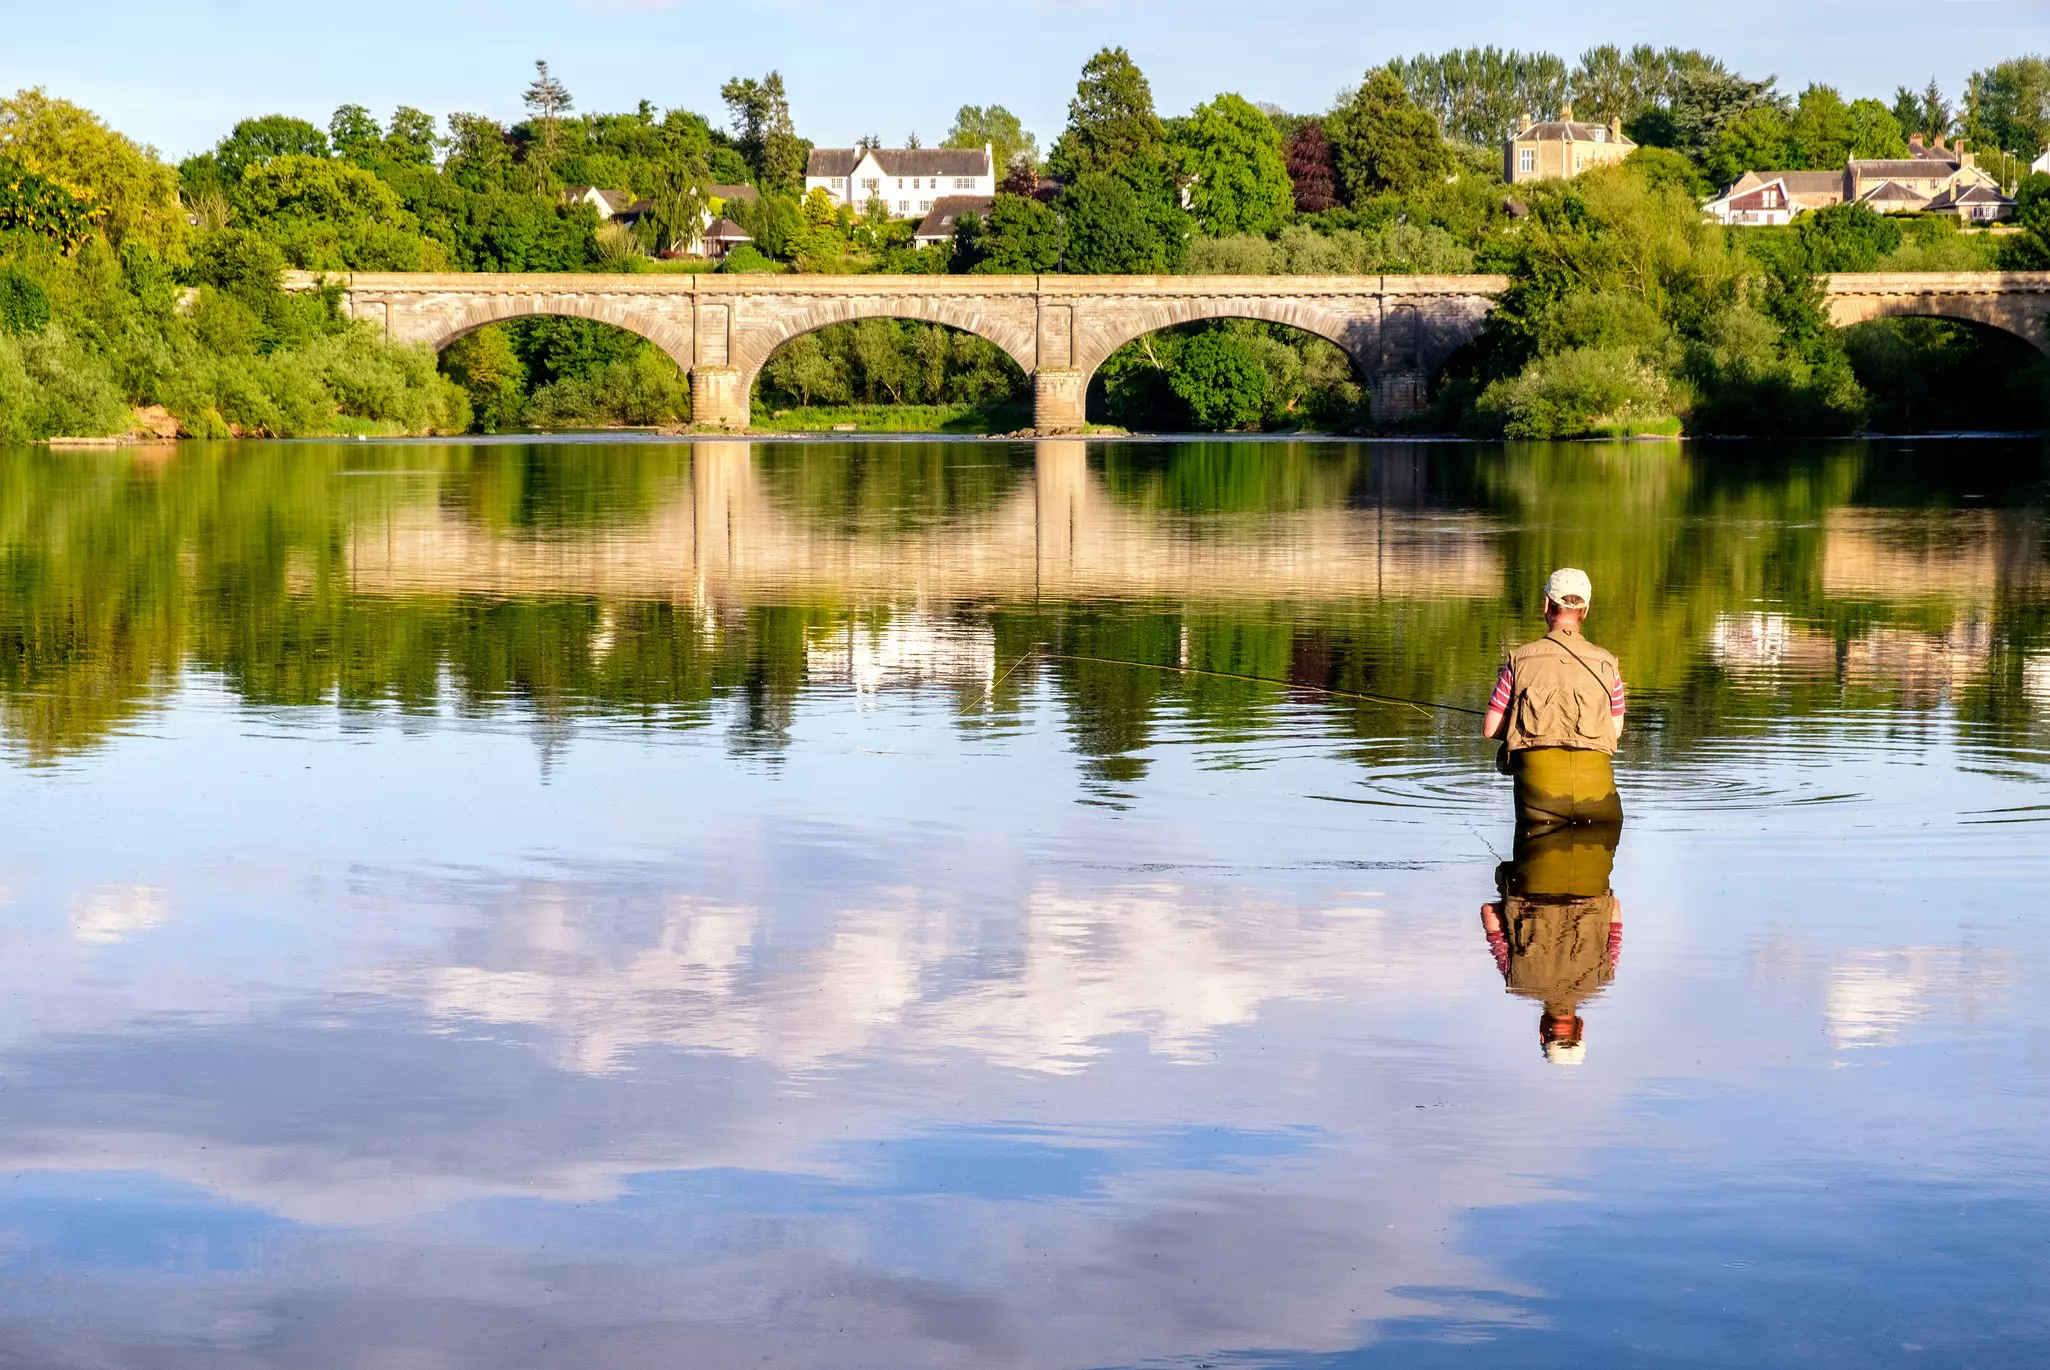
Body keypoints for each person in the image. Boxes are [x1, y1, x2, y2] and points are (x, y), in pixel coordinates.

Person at [1481, 568, 1626, 826]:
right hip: (1599, 807)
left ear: (1546, 604)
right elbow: (1613, 732)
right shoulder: (1609, 665)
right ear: (1586, 610)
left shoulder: (1518, 661)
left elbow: (1490, 728)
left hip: (1538, 805)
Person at [1480, 818, 1623, 1066]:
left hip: (1589, 874)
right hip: (1531, 874)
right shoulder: (1516, 980)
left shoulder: (1604, 977)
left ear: (1581, 1028)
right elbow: (1489, 913)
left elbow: (1615, 910)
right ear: (1541, 1031)